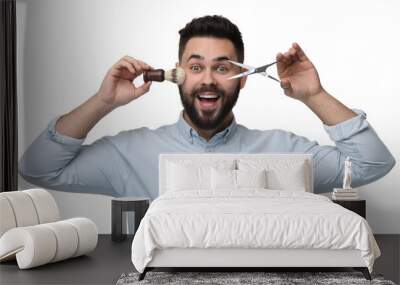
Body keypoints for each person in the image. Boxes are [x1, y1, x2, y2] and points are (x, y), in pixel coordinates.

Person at [19, 15, 395, 200]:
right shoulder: (129, 154)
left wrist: (315, 96)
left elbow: (372, 164)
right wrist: (102, 103)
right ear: (178, 74)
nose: (209, 80)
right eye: (196, 67)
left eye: (223, 67)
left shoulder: (285, 151)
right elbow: (37, 169)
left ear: (243, 77)